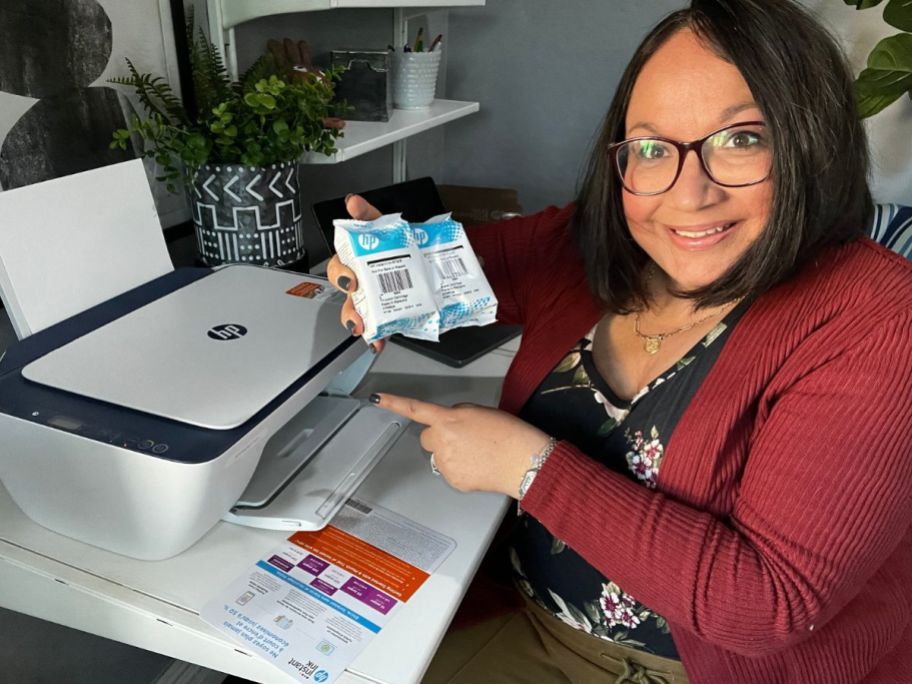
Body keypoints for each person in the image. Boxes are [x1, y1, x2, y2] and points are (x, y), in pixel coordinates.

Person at [327, 1, 912, 681]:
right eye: (653, 148)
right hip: (523, 611)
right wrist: (381, 265)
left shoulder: (879, 320)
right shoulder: (597, 243)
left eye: (741, 139)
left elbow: (770, 604)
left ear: (813, 144)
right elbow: (469, 265)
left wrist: (529, 469)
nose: (687, 195)